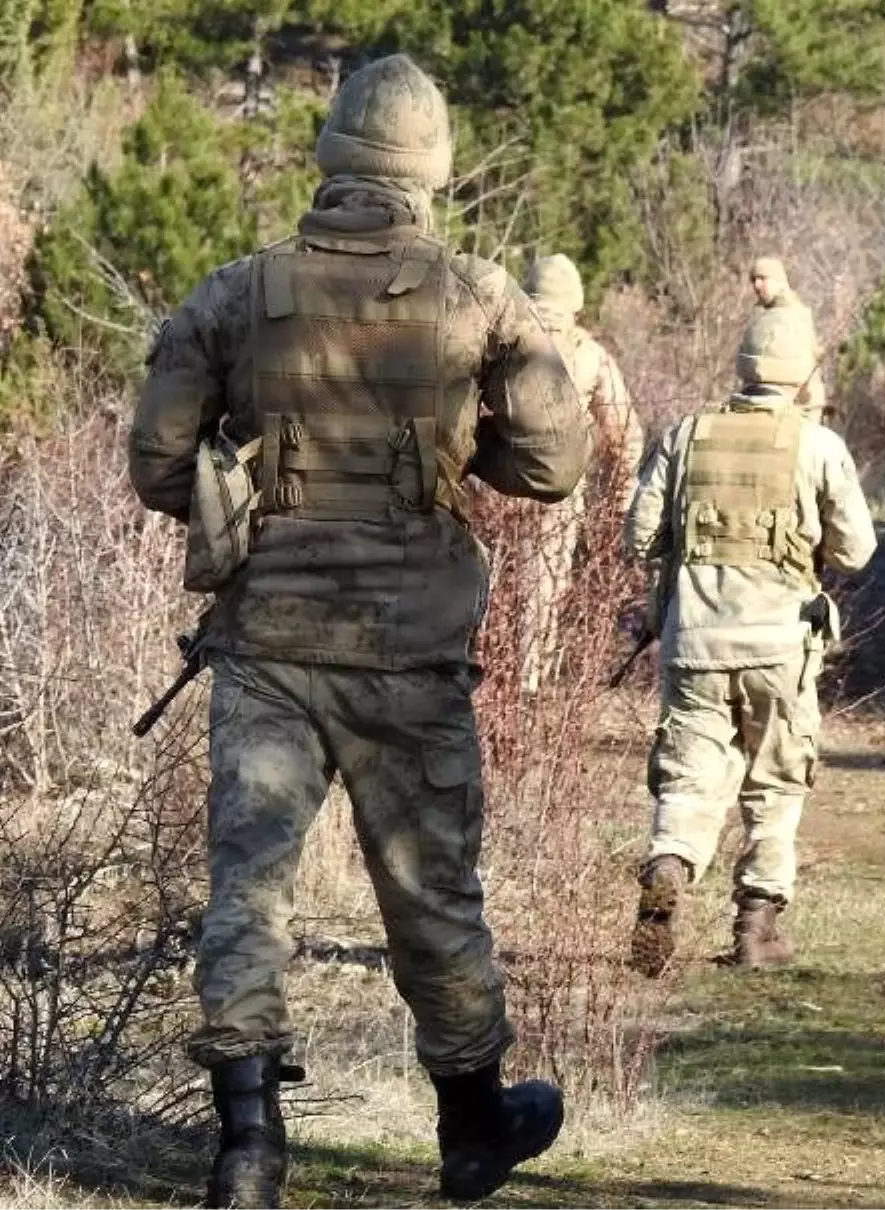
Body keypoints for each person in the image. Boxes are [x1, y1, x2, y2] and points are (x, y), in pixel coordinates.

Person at [127, 54, 591, 1208]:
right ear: (430, 168)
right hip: (408, 649)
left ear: (333, 157)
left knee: (251, 891)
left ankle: (248, 1147)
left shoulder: (240, 290)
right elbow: (555, 460)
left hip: (268, 648)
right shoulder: (482, 295)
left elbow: (154, 461)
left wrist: (256, 488)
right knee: (432, 888)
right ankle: (475, 1128)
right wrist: (447, 455)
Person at [622, 307, 876, 977]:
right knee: (775, 784)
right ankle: (756, 925)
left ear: (743, 366)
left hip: (695, 643)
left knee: (689, 773)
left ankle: (670, 864)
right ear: (799, 376)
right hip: (778, 649)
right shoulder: (818, 445)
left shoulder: (687, 435)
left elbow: (638, 537)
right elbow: (855, 552)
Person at [518, 253, 644, 694]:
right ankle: (527, 688)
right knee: (541, 595)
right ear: (575, 301)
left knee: (489, 589)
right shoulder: (590, 355)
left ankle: (487, 686)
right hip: (559, 493)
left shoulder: (497, 338)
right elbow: (625, 435)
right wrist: (620, 505)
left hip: (492, 491)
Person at [746, 255, 827, 421]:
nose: (756, 285)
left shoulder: (794, 315)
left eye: (762, 278)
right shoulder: (764, 315)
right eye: (754, 279)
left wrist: (811, 415)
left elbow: (809, 375)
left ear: (778, 281)